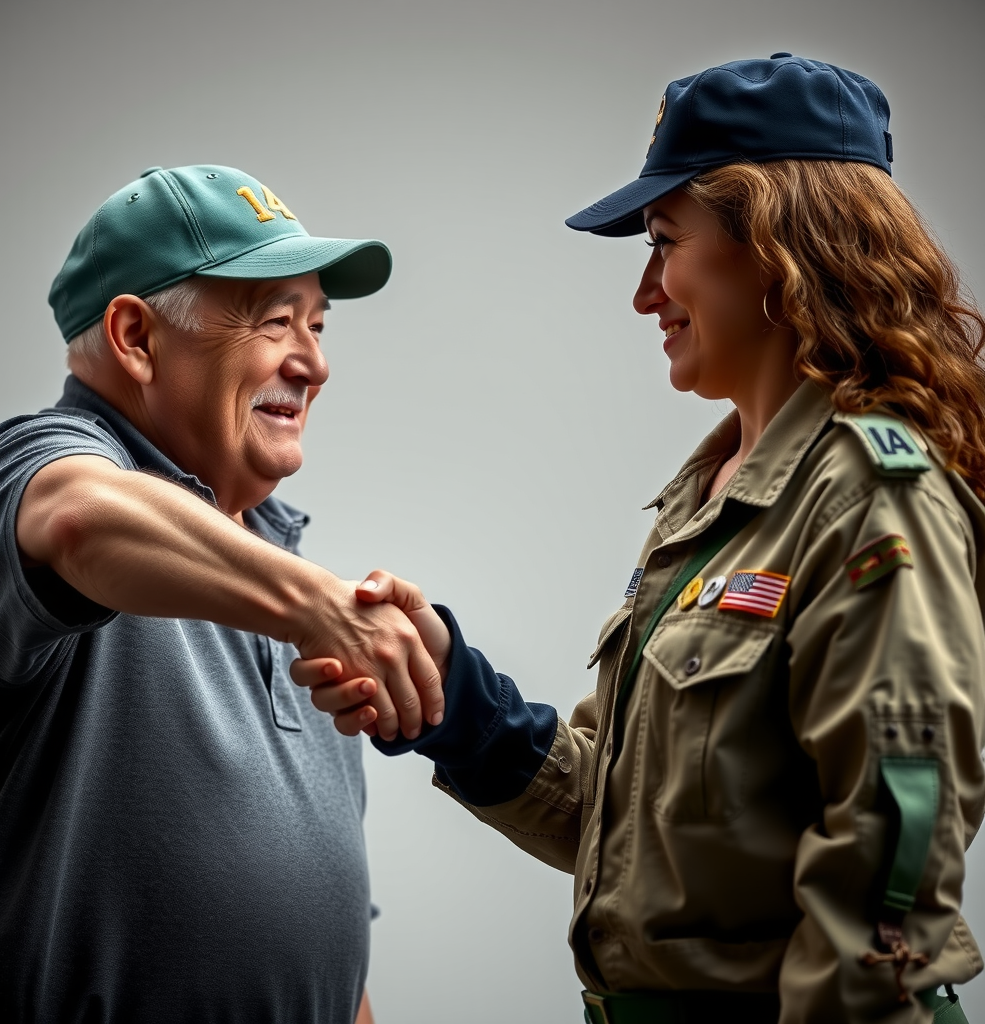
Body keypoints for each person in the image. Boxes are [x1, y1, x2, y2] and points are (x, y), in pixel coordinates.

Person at [296, 56, 985, 1022]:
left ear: (779, 248)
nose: (645, 293)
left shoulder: (874, 498)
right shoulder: (710, 503)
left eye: (664, 242)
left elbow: (887, 871)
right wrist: (454, 700)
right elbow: (621, 827)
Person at [0, 164, 446, 1023]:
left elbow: (331, 960)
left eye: (319, 325)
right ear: (136, 337)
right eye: (276, 323)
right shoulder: (29, 467)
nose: (316, 363)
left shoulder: (280, 584)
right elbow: (78, 515)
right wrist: (313, 604)